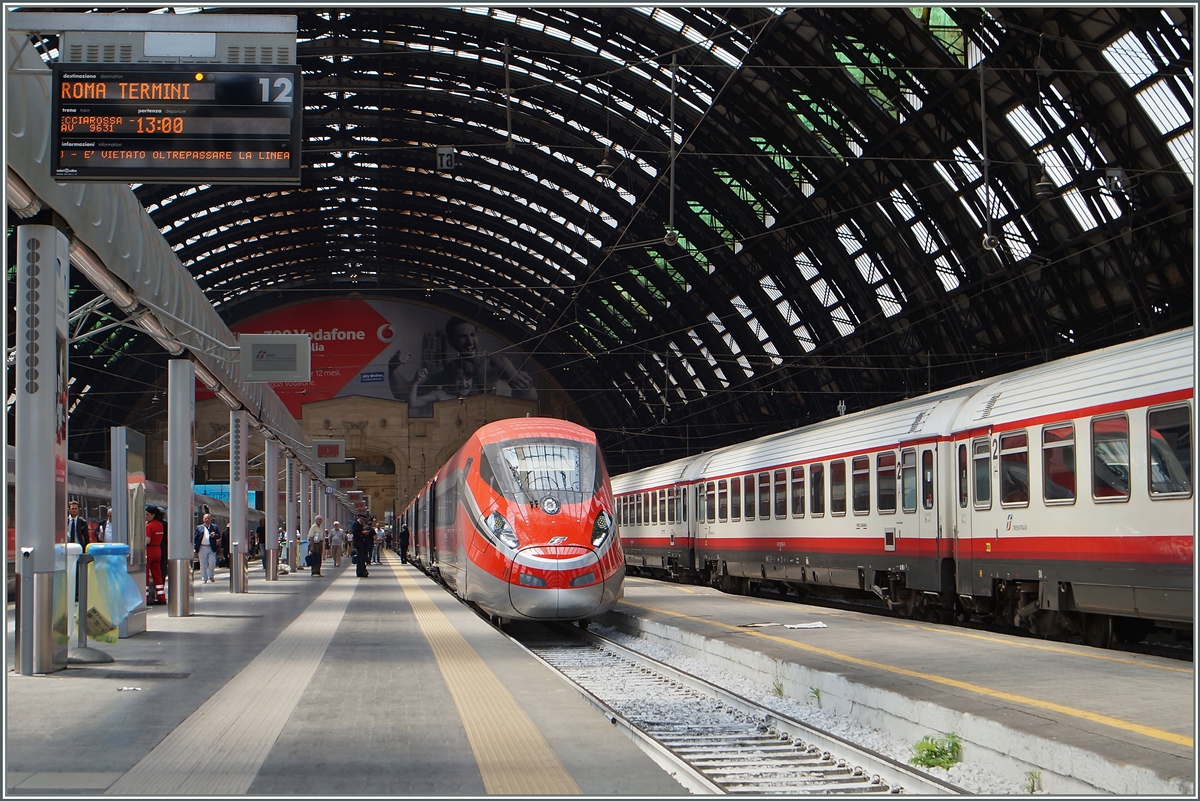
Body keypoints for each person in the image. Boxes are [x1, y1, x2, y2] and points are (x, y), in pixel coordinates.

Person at [144, 505, 167, 605]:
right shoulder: (160, 525)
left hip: (149, 551)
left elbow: (147, 540)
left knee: (145, 575)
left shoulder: (149, 526)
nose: (145, 516)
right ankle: (161, 597)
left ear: (153, 515)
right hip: (158, 550)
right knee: (157, 575)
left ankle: (145, 597)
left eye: (147, 514)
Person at [194, 513, 221, 584]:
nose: (207, 519)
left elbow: (219, 536)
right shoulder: (199, 528)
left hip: (211, 547)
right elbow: (195, 538)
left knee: (212, 562)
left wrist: (214, 535)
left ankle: (211, 576)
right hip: (202, 547)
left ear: (211, 519)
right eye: (206, 518)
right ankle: (204, 578)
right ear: (203, 519)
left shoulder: (214, 527)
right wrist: (195, 548)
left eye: (209, 518)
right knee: (203, 564)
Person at [351, 513, 371, 577]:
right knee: (360, 558)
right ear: (360, 518)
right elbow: (355, 533)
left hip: (361, 544)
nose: (364, 521)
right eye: (363, 520)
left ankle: (361, 571)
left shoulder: (360, 524)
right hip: (358, 544)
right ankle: (361, 572)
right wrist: (362, 533)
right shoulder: (355, 524)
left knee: (361, 558)